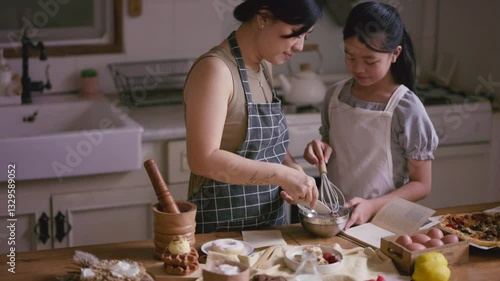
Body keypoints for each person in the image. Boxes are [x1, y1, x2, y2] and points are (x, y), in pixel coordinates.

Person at [183, 0, 324, 233]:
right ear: (263, 17)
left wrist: (292, 168)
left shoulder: (265, 65)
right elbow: (202, 159)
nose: (299, 47)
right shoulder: (215, 70)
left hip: (271, 225)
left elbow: (265, 144)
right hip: (223, 230)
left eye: (305, 36)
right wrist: (281, 174)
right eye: (293, 34)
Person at [303, 1, 438, 230]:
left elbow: (421, 185)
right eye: (350, 56)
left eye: (369, 60)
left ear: (395, 54)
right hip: (335, 218)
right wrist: (318, 149)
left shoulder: (405, 109)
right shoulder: (335, 96)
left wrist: (372, 206)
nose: (358, 68)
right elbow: (332, 146)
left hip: (381, 224)